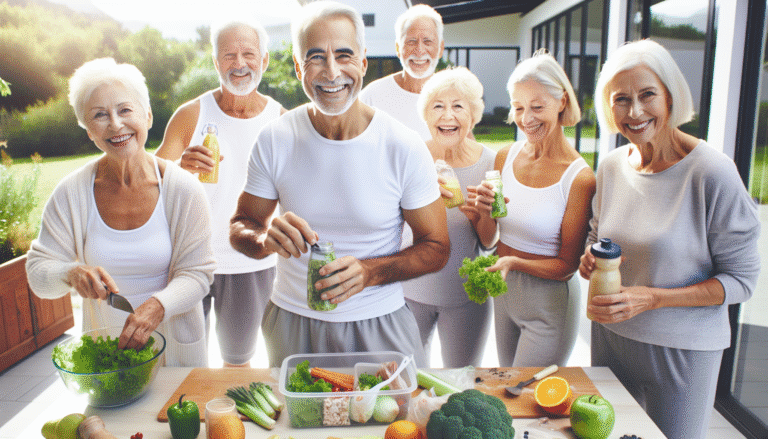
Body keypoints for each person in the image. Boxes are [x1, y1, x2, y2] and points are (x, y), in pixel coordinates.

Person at [228, 0, 450, 369]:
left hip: (380, 322)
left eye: (343, 55)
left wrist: (369, 272)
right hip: (292, 321)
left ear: (362, 62)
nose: (331, 72)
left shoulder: (403, 145)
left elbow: (438, 246)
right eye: (316, 57)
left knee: (396, 427)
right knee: (292, 426)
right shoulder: (275, 139)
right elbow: (240, 225)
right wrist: (263, 240)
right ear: (299, 67)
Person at [578, 39, 760, 439]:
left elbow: (741, 282)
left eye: (647, 95)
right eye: (621, 99)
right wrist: (589, 261)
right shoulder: (610, 167)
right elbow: (597, 237)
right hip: (611, 339)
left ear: (670, 96)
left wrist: (653, 297)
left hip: (682, 353)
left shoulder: (712, 172)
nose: (635, 111)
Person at [25, 58, 215, 366]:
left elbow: (198, 274)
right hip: (106, 356)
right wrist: (70, 273)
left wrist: (157, 307)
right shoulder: (71, 192)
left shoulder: (183, 189)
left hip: (176, 354)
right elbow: (38, 275)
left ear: (148, 116)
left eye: (125, 110)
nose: (115, 124)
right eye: (100, 115)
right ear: (89, 130)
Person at [155, 18, 286, 367]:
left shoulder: (280, 120)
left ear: (265, 61)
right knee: (183, 361)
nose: (239, 64)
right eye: (229, 55)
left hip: (250, 263)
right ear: (215, 62)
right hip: (189, 259)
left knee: (237, 362)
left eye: (248, 54)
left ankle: (226, 422)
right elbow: (148, 183)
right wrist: (179, 168)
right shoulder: (191, 115)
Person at [485, 50, 596, 367]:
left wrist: (513, 261)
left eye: (537, 107)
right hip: (504, 293)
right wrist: (480, 214)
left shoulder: (579, 179)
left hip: (548, 303)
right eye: (518, 107)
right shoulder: (505, 157)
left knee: (527, 399)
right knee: (506, 391)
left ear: (561, 101)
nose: (526, 118)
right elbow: (492, 235)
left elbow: (566, 266)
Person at [401, 67, 496, 367]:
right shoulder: (409, 156)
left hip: (465, 297)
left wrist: (481, 216)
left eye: (458, 106)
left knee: (461, 383)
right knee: (408, 381)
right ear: (426, 115)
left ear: (473, 115)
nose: (447, 116)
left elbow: (489, 241)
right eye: (438, 106)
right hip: (410, 293)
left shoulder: (491, 162)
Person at [359, 4, 444, 141]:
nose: (420, 50)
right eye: (411, 41)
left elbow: (468, 155)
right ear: (398, 48)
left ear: (440, 48)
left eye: (427, 41)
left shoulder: (454, 98)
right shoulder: (372, 97)